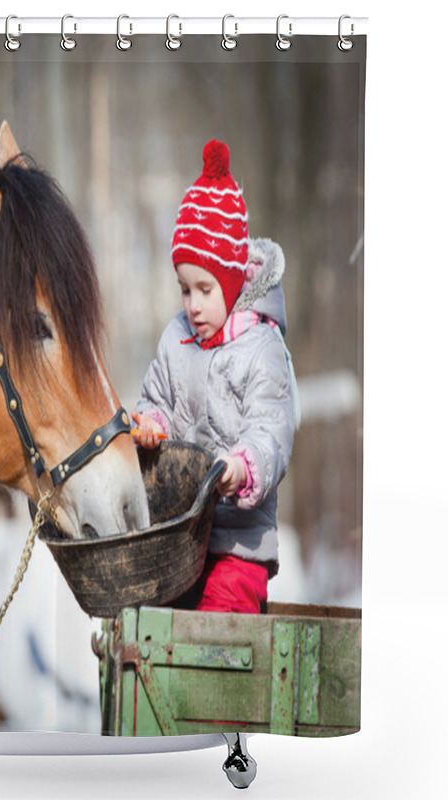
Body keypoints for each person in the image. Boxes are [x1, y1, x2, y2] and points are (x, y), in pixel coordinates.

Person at [133, 139, 299, 614]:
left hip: (239, 547)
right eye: (184, 289)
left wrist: (240, 466)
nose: (193, 304)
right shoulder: (175, 339)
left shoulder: (262, 349)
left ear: (230, 282)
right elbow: (158, 399)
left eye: (205, 289)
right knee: (157, 627)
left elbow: (270, 429)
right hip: (183, 541)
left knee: (215, 630)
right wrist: (150, 425)